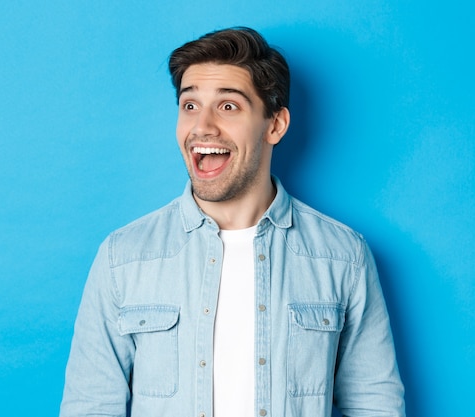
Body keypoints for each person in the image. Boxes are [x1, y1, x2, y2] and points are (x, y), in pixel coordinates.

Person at [60, 27, 405, 417]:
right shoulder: (123, 258)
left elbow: (375, 403)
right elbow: (89, 407)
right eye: (190, 105)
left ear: (275, 125)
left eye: (228, 106)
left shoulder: (342, 257)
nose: (202, 127)